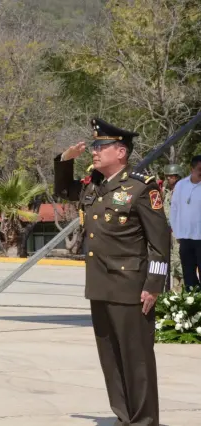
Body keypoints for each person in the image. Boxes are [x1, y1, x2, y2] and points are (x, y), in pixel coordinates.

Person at [54, 118, 170, 426]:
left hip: (131, 286)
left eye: (100, 146)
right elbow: (65, 191)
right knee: (111, 358)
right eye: (93, 146)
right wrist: (65, 161)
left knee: (137, 359)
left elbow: (160, 242)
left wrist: (154, 284)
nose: (94, 151)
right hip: (100, 284)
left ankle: (144, 420)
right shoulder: (95, 186)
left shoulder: (141, 188)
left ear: (120, 152)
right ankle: (124, 415)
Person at [170, 155, 201, 291]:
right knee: (188, 277)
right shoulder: (181, 185)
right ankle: (192, 307)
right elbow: (174, 209)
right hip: (185, 238)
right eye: (200, 169)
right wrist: (177, 233)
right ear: (192, 169)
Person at [162, 164, 186, 290]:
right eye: (167, 176)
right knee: (173, 264)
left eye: (170, 176)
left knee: (180, 263)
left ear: (177, 177)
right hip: (170, 232)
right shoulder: (169, 192)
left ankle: (187, 294)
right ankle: (176, 295)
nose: (167, 178)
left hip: (180, 232)